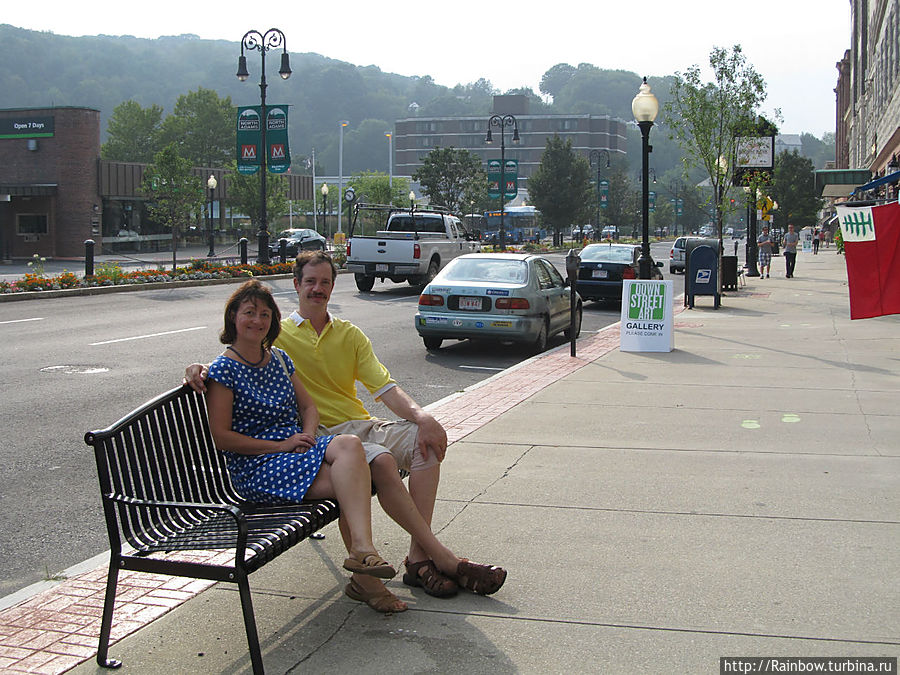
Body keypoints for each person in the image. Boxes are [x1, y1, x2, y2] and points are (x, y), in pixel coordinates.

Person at [186, 252, 506, 613]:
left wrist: (422, 417)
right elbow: (234, 358)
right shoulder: (279, 338)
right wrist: (198, 368)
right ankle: (425, 561)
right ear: (296, 285)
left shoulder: (340, 336)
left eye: (325, 282)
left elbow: (382, 387)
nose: (318, 289)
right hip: (319, 443)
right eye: (310, 281)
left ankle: (418, 558)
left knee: (423, 443)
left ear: (333, 287)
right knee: (372, 462)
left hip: (349, 431)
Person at [205, 279, 396, 584]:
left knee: (349, 446)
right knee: (354, 479)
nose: (258, 320)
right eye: (250, 313)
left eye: (265, 314)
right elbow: (223, 438)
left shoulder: (279, 359)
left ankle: (362, 550)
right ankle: (367, 578)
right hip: (258, 466)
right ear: (233, 317)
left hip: (294, 453)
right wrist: (281, 447)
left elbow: (309, 408)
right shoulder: (223, 370)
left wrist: (306, 436)